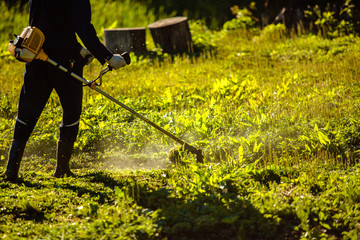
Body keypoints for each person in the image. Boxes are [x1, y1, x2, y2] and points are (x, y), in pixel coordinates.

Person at [3, 0, 127, 181]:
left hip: (35, 52)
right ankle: (62, 170)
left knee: (27, 110)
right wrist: (107, 56)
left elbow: (48, 23)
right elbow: (82, 26)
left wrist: (79, 49)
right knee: (71, 110)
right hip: (65, 58)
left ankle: (11, 171)